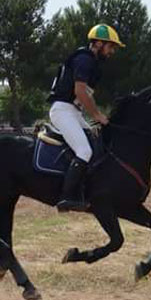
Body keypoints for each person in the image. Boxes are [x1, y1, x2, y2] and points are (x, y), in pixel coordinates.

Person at [47, 23, 125, 212]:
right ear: (98, 43)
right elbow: (80, 92)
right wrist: (98, 115)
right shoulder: (84, 59)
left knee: (95, 145)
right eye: (110, 46)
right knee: (84, 151)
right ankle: (66, 197)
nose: (112, 51)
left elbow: (85, 97)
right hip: (63, 111)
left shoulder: (92, 63)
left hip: (73, 112)